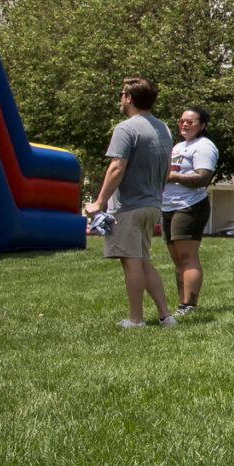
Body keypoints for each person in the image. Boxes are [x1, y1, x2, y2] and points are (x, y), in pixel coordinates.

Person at [89, 78, 176, 328]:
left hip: (128, 206)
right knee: (142, 259)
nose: (120, 98)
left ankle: (136, 320)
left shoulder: (126, 129)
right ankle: (165, 316)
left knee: (130, 262)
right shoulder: (163, 129)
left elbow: (116, 167)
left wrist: (99, 202)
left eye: (122, 93)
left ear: (129, 98)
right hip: (152, 204)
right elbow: (167, 168)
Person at [163, 105, 218, 314]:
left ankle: (189, 305)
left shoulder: (204, 146)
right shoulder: (178, 147)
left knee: (187, 256)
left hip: (190, 206)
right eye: (181, 121)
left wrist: (172, 177)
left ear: (202, 125)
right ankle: (182, 304)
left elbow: (203, 178)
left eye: (190, 121)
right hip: (168, 205)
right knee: (177, 259)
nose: (184, 125)